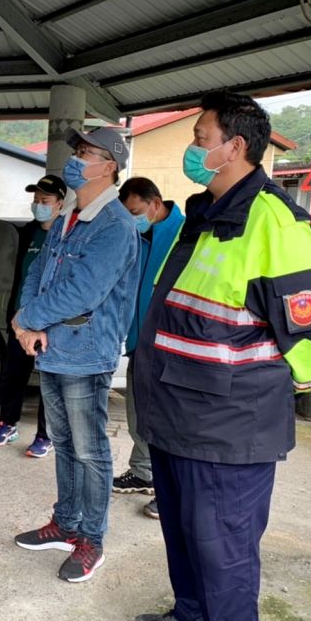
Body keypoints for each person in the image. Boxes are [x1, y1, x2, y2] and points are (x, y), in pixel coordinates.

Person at [132, 92, 311, 621]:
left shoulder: (274, 220)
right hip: (177, 409)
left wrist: (264, 387)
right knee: (183, 528)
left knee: (224, 541)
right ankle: (191, 615)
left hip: (229, 422)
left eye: (201, 137)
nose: (193, 148)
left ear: (235, 146)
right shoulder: (204, 213)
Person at [12, 127, 140, 583]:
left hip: (85, 352)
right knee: (64, 444)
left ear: (109, 166)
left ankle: (91, 539)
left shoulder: (116, 226)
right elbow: (38, 271)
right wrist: (25, 319)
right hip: (52, 347)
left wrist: (28, 319)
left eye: (86, 153)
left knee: (90, 450)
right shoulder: (69, 213)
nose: (76, 159)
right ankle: (66, 523)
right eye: (77, 151)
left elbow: (83, 292)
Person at [114, 177, 185, 520]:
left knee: (167, 420)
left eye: (135, 212)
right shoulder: (137, 236)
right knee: (138, 413)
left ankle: (170, 489)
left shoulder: (185, 234)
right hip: (138, 341)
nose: (132, 219)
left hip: (168, 346)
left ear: (155, 203)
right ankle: (143, 471)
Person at [0, 174, 66, 458]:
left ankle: (46, 435)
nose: (38, 205)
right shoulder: (28, 232)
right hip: (21, 319)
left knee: (49, 381)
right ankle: (7, 423)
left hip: (50, 322)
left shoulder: (67, 234)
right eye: (36, 200)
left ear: (60, 203)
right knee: (13, 375)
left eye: (45, 200)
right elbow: (22, 275)